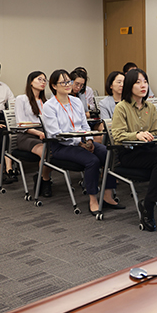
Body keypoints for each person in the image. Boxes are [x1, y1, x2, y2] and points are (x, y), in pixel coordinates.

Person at [111, 68, 157, 231]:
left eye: (145, 82)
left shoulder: (150, 107)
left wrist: (150, 135)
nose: (143, 85)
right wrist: (137, 135)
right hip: (129, 153)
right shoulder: (121, 107)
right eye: (138, 82)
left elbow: (156, 131)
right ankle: (148, 206)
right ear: (129, 85)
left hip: (147, 150)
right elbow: (117, 135)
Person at [42, 69, 120, 215]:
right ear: (53, 86)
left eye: (69, 81)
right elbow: (55, 133)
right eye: (63, 82)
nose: (68, 85)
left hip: (81, 141)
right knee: (92, 161)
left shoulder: (76, 102)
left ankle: (108, 196)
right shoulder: (49, 106)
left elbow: (85, 125)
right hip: (61, 146)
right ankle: (93, 199)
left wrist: (89, 140)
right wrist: (79, 142)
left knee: (108, 153)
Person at [14, 71, 53, 197]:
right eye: (39, 79)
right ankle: (45, 180)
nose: (43, 82)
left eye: (44, 80)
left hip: (44, 134)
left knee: (56, 151)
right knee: (45, 152)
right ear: (31, 82)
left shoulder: (46, 101)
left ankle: (41, 177)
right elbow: (21, 124)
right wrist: (38, 133)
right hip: (27, 135)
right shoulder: (21, 99)